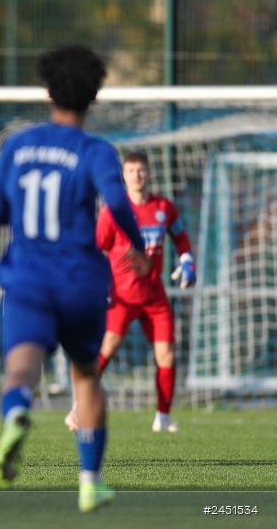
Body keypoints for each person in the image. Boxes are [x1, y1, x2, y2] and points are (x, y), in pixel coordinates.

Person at [0, 45, 151, 512]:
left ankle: (17, 409)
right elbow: (118, 204)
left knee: (21, 364)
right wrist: (137, 247)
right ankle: (89, 480)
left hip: (27, 277)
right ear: (94, 95)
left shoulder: (17, 144)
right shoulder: (96, 150)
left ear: (47, 91)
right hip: (80, 278)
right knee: (86, 375)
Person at [64, 151, 195, 433]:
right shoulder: (113, 211)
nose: (137, 176)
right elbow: (96, 249)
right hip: (120, 297)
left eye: (141, 170)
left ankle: (163, 417)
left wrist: (187, 260)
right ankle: (78, 406)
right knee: (105, 350)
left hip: (154, 295)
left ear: (149, 173)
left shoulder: (164, 207)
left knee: (167, 355)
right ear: (124, 175)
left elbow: (181, 238)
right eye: (131, 171)